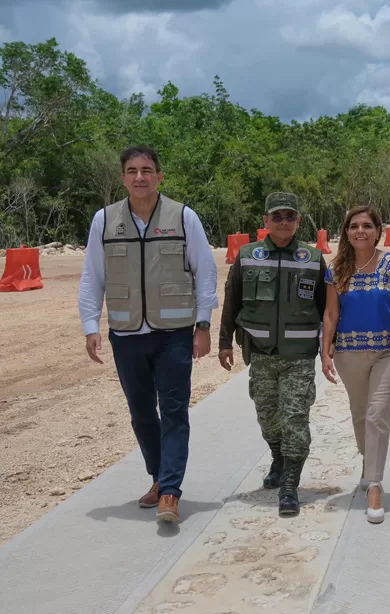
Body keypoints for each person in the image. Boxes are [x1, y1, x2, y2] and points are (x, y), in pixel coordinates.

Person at [78, 145, 218, 524]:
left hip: (173, 334)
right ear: (122, 177)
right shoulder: (104, 221)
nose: (140, 177)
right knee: (141, 415)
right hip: (125, 335)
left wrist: (203, 324)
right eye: (132, 170)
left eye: (147, 170)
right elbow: (93, 276)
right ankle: (158, 478)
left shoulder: (183, 217)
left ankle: (171, 491)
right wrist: (90, 325)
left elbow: (205, 271)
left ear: (160, 176)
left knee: (173, 412)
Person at [218, 192, 327, 517]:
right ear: (264, 221)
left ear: (298, 221)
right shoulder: (248, 255)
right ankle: (278, 457)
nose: (283, 222)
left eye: (289, 217)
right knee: (268, 417)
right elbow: (232, 300)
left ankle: (290, 485)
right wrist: (224, 342)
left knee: (295, 419)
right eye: (276, 216)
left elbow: (326, 307)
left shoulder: (312, 257)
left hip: (299, 356)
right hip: (261, 354)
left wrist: (331, 347)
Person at [321, 206, 390, 524]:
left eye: (366, 226)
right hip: (348, 353)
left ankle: (374, 484)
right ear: (345, 232)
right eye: (353, 226)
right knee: (361, 414)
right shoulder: (336, 269)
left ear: (378, 230)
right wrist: (325, 351)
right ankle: (369, 462)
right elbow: (331, 313)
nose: (360, 231)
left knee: (377, 415)